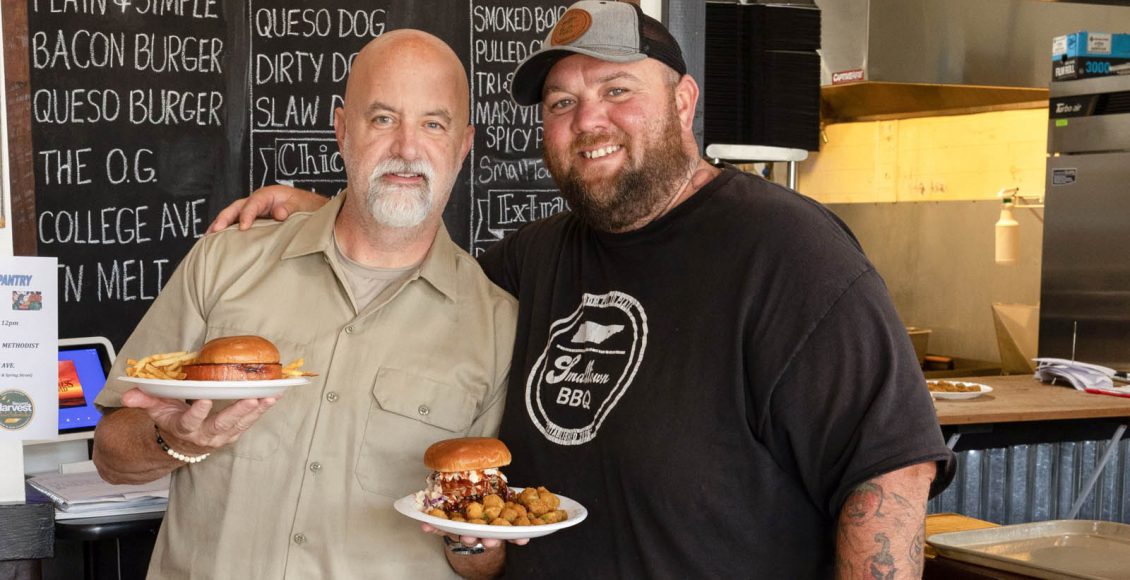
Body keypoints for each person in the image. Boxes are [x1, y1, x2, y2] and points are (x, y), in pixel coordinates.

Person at [211, 2, 955, 578]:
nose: (587, 119)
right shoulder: (533, 260)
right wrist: (341, 211)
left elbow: (887, 471)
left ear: (685, 102)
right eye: (561, 102)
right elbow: (421, 268)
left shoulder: (789, 253)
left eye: (617, 89)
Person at [91, 30, 517, 579]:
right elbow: (110, 456)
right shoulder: (225, 263)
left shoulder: (498, 325)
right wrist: (172, 438)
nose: (408, 148)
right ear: (342, 130)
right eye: (383, 119)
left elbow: (480, 564)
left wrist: (474, 542)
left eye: (433, 124)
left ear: (462, 146)